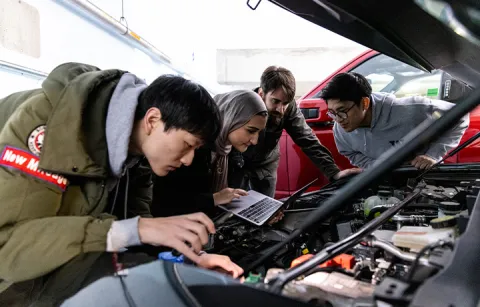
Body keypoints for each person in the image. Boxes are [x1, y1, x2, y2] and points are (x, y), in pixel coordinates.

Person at [0, 63, 242, 306]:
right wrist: (137, 229)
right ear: (153, 119)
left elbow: (136, 226)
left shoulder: (138, 155)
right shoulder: (48, 129)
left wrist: (190, 261)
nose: (189, 160)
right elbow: (7, 247)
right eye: (188, 145)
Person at [228, 66, 361, 198]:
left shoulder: (288, 108)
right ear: (261, 94)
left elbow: (307, 140)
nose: (281, 109)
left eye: (286, 102)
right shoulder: (242, 106)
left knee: (266, 211)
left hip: (265, 164)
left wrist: (334, 172)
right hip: (237, 164)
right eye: (276, 101)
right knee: (234, 209)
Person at [151, 90, 268, 219]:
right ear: (231, 118)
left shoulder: (233, 150)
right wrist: (214, 199)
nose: (255, 140)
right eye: (251, 131)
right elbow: (165, 201)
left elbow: (234, 194)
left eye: (259, 133)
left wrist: (257, 213)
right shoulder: (193, 146)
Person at [320, 72, 470, 169]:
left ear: (364, 103)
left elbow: (460, 116)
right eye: (332, 113)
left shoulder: (411, 110)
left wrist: (433, 155)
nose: (338, 120)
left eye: (342, 111)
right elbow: (350, 153)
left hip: (424, 178)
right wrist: (376, 167)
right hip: (384, 183)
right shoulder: (340, 129)